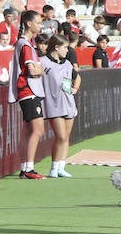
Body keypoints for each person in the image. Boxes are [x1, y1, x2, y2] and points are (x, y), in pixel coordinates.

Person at [10, 9, 47, 179]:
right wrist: (40, 70)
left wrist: (39, 69)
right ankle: (28, 168)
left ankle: (25, 166)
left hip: (27, 90)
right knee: (38, 129)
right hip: (28, 90)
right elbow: (33, 71)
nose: (40, 25)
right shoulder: (25, 45)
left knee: (27, 130)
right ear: (29, 24)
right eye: (38, 22)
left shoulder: (26, 44)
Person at [40, 35, 78, 178]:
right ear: (56, 47)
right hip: (53, 104)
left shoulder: (67, 63)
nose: (67, 51)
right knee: (61, 136)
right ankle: (54, 167)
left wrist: (75, 89)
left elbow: (77, 77)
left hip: (68, 102)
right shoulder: (43, 62)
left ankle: (60, 166)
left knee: (66, 137)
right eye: (65, 47)